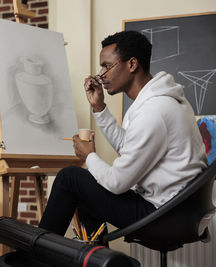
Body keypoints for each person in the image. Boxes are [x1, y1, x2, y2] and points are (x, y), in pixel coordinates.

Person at [39, 30, 207, 242]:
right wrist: (99, 107)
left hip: (167, 216)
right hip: (181, 212)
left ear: (132, 64)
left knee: (69, 178)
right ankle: (97, 262)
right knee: (86, 191)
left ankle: (36, 255)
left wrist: (89, 156)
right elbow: (132, 148)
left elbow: (118, 182)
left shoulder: (153, 112)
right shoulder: (159, 102)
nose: (100, 74)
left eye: (106, 66)